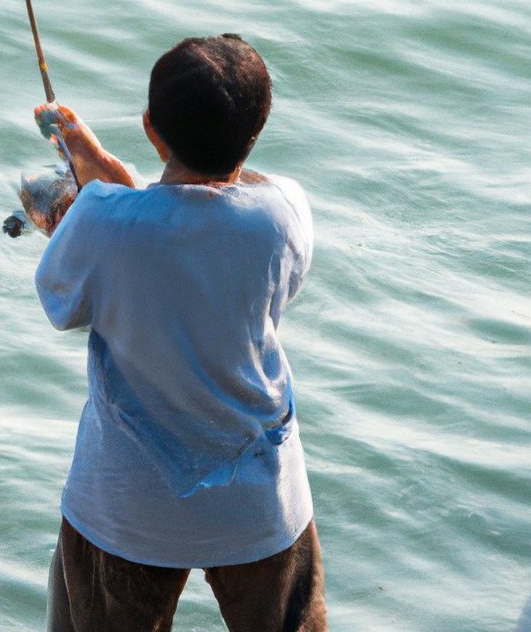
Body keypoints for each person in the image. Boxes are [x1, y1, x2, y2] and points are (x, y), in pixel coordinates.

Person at [34, 34, 327, 632]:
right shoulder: (286, 210)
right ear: (257, 130)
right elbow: (203, 227)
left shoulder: (103, 221)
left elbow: (62, 303)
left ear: (150, 127)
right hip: (261, 498)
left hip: (126, 505)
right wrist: (122, 192)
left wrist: (103, 197)